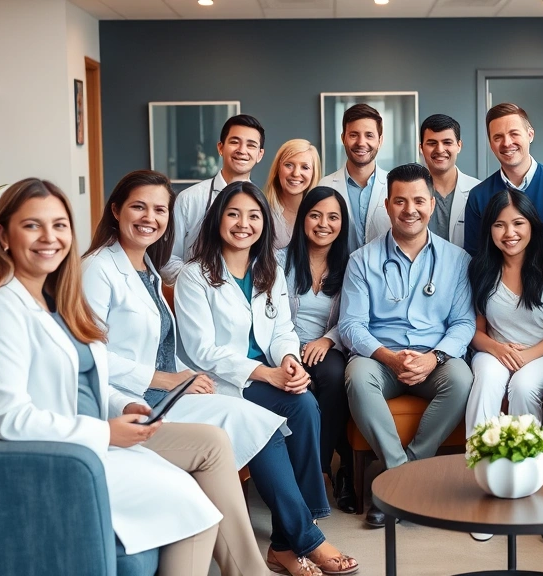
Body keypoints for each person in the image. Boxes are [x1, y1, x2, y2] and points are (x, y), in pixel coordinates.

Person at [0, 178, 222, 575]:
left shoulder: (48, 300)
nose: (49, 237)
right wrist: (106, 433)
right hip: (27, 464)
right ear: (3, 235)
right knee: (192, 504)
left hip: (69, 448)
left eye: (60, 225)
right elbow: (9, 419)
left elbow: (82, 377)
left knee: (195, 500)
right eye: (32, 225)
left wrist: (124, 405)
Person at [81, 169, 304, 574]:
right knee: (250, 422)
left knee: (263, 420)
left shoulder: (146, 266)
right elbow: (90, 354)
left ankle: (282, 546)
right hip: (131, 399)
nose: (150, 217)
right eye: (138, 207)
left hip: (165, 394)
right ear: (115, 210)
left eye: (160, 209)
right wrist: (164, 379)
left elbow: (165, 345)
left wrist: (184, 375)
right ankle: (284, 548)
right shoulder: (98, 268)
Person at [174, 180, 359, 576]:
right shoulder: (194, 276)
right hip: (219, 381)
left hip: (265, 375)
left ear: (265, 224)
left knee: (306, 406)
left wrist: (290, 361)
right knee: (269, 429)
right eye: (234, 214)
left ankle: (281, 545)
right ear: (217, 219)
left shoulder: (268, 271)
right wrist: (268, 374)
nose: (244, 224)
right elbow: (202, 349)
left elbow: (282, 330)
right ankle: (305, 539)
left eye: (254, 216)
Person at [339, 163, 475, 528]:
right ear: (387, 205)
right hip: (381, 358)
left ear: (431, 204)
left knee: (462, 379)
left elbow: (464, 323)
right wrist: (387, 356)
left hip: (435, 359)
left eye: (418, 200)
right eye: (400, 201)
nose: (409, 209)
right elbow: (351, 324)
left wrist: (434, 358)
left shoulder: (457, 260)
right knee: (356, 375)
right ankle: (402, 481)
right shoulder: (362, 260)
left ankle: (401, 477)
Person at [279, 186, 357, 514]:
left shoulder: (352, 263)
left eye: (333, 217)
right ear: (303, 218)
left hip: (328, 346)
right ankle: (310, 474)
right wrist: (290, 353)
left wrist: (328, 339)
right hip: (283, 346)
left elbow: (356, 316)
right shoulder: (277, 260)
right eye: (315, 215)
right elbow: (269, 315)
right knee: (301, 388)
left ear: (342, 224)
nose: (323, 223)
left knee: (335, 375)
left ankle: (321, 469)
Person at [466, 188, 543, 437]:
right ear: (490, 231)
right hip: (495, 350)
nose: (509, 233)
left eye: (518, 223)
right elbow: (476, 331)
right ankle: (478, 461)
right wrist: (498, 349)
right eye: (499, 225)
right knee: (487, 379)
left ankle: (526, 466)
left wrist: (527, 357)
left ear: (532, 225)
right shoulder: (480, 268)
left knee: (524, 385)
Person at [464, 103, 543, 257]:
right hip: (497, 281)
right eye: (498, 137)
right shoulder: (478, 195)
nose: (507, 143)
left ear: (530, 135)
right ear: (491, 144)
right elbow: (474, 255)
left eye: (514, 134)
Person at [162, 114, 265, 283]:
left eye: (251, 145)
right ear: (220, 148)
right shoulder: (189, 199)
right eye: (234, 142)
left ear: (260, 155)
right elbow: (168, 259)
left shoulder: (262, 204)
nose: (242, 150)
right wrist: (203, 286)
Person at [318, 103, 390, 253]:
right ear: (343, 138)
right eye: (353, 135)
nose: (361, 143)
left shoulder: (393, 185)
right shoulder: (324, 186)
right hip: (338, 274)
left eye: (369, 135)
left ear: (380, 140)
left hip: (385, 273)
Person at [418, 113, 480, 246]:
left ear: (459, 146)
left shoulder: (478, 191)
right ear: (421, 148)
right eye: (432, 143)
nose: (440, 149)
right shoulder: (410, 191)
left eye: (447, 142)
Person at [263, 139, 323, 250]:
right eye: (289, 165)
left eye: (305, 167)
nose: (295, 173)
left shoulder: (322, 215)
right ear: (277, 169)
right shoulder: (261, 212)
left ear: (314, 173)